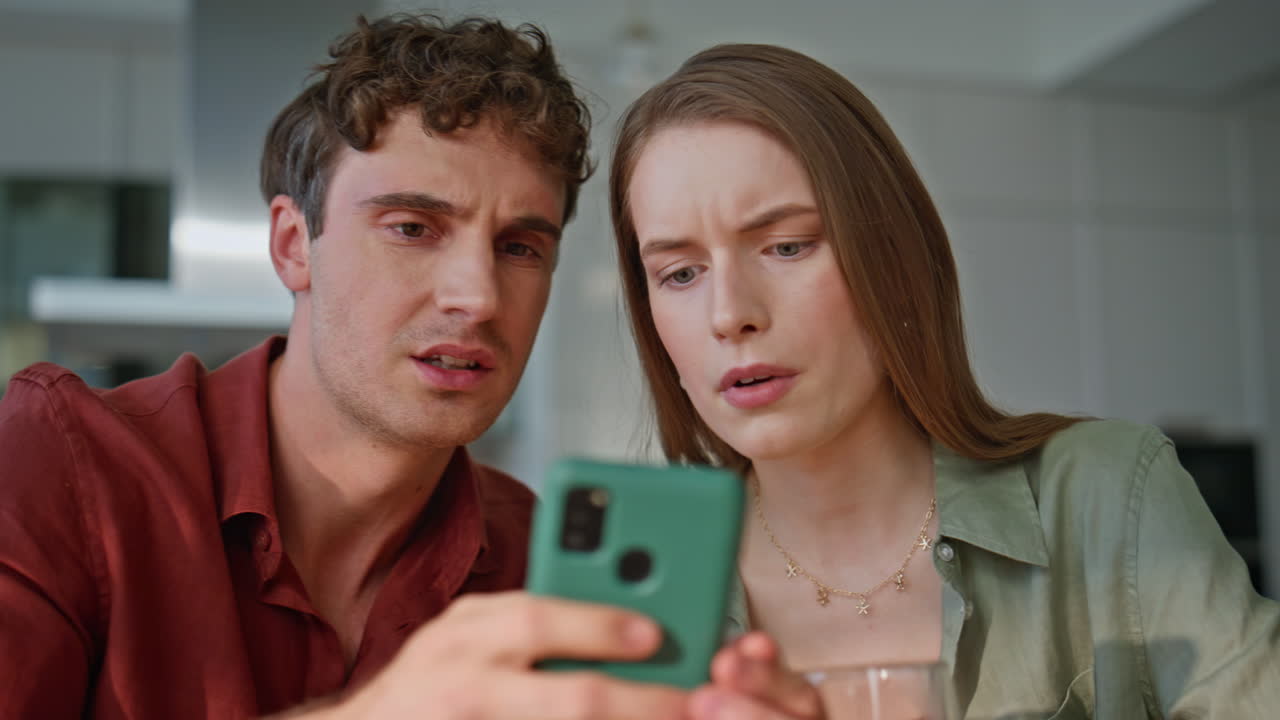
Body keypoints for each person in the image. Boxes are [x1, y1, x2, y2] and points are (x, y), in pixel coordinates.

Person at [0, 14, 688, 720]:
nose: (479, 297)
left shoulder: (536, 565)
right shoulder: (61, 461)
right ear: (294, 245)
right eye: (412, 229)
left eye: (519, 248)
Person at [609, 43, 1280, 718]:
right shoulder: (635, 598)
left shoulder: (1105, 494)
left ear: (892, 259)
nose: (730, 314)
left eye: (787, 246)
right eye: (680, 273)